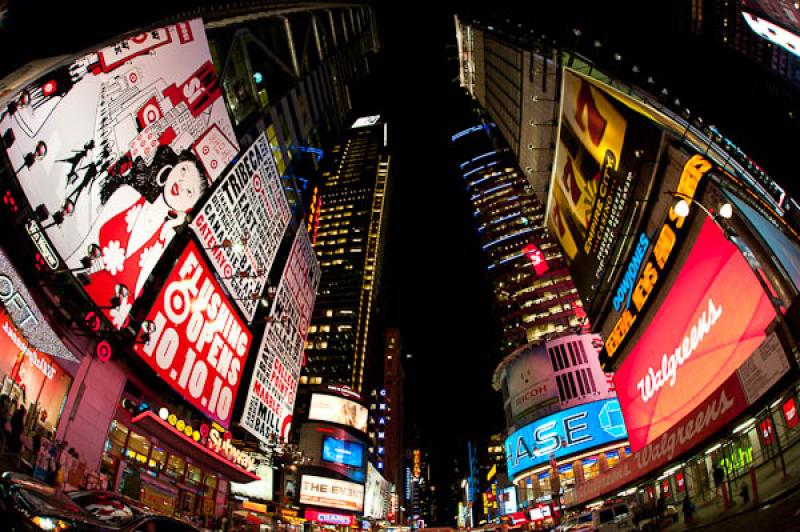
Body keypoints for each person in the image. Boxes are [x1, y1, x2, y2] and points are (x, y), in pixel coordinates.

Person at [77, 145, 210, 328]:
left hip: (103, 315)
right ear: (171, 168)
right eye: (183, 170)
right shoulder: (126, 195)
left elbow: (132, 291)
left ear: (189, 207)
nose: (181, 183)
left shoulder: (164, 238)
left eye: (189, 191)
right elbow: (84, 244)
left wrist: (171, 224)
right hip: (75, 281)